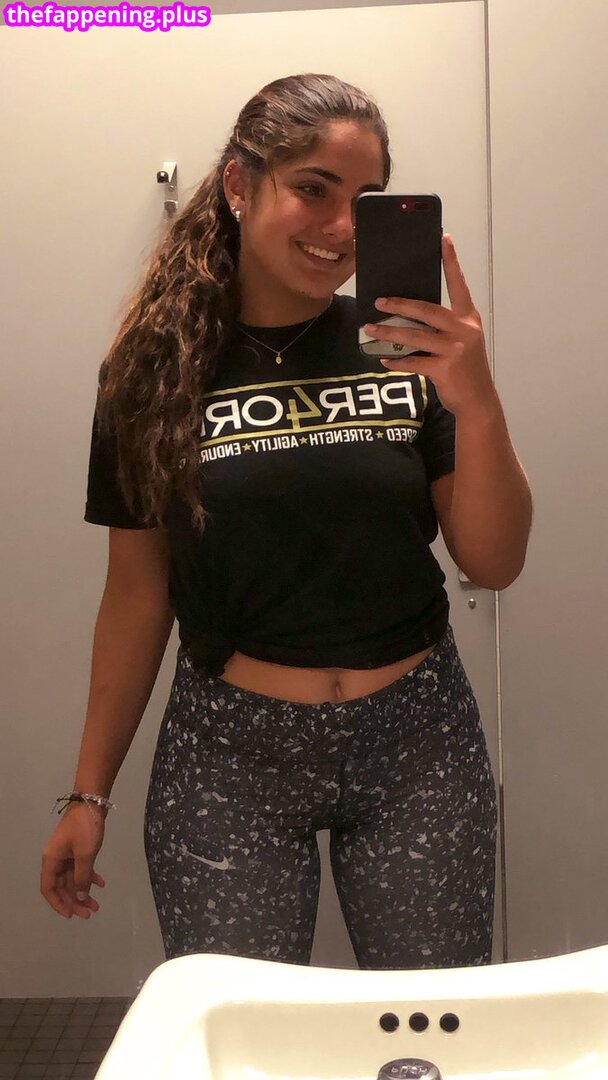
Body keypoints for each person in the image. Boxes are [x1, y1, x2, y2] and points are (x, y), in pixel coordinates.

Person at [40, 72, 532, 970]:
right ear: (240, 183)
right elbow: (137, 595)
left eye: (366, 202)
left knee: (428, 1023)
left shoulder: (409, 354)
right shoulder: (152, 372)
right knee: (245, 1028)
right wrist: (88, 793)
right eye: (313, 188)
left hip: (417, 743)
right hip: (229, 756)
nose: (342, 228)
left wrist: (479, 400)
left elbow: (494, 562)